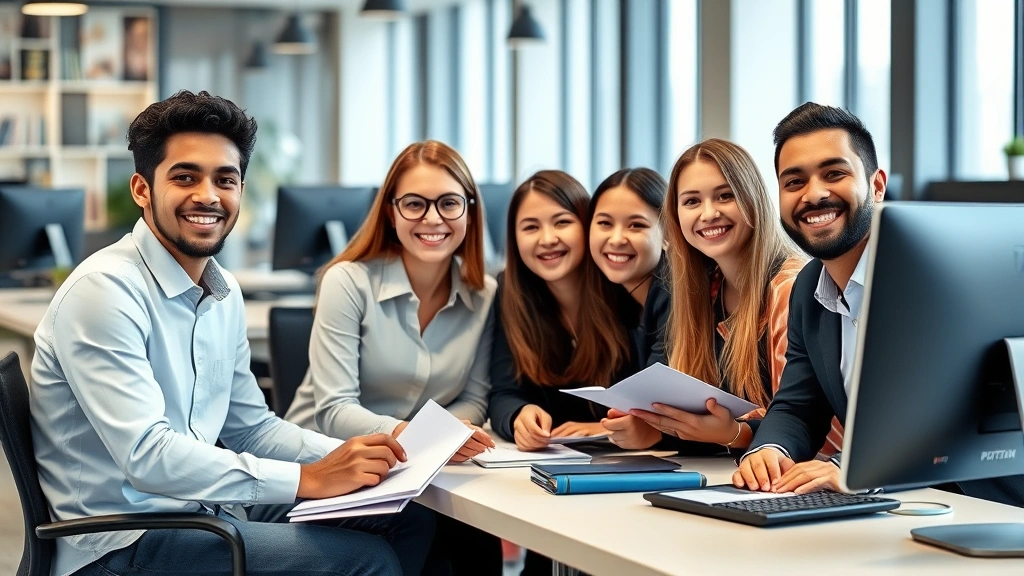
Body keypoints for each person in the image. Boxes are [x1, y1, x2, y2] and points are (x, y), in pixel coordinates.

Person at [29, 90, 434, 576]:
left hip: (202, 512)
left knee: (408, 518)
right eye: (185, 177)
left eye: (226, 179)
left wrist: (363, 460)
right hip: (125, 542)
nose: (208, 195)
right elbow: (148, 457)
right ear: (142, 189)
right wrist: (309, 478)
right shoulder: (104, 291)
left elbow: (250, 428)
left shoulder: (223, 292)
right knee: (366, 561)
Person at [283, 140, 502, 575]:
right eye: (415, 204)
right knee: (420, 526)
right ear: (391, 212)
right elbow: (333, 410)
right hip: (323, 469)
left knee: (476, 538)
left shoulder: (484, 293)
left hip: (413, 474)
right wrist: (420, 435)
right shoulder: (347, 282)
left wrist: (444, 437)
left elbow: (475, 398)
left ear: (470, 211)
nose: (433, 218)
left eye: (449, 203)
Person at [627, 138, 807, 452]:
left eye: (725, 196)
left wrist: (735, 433)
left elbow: (802, 420)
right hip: (731, 474)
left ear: (752, 198)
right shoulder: (704, 288)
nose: (708, 214)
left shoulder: (791, 288)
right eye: (692, 201)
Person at [488, 170, 631, 451]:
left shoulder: (622, 286)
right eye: (530, 227)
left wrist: (605, 426)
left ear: (588, 225)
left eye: (562, 222)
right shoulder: (511, 291)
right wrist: (520, 414)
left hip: (641, 456)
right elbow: (503, 392)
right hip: (551, 460)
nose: (548, 239)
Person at [587, 168, 673, 450]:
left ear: (667, 234)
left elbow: (648, 399)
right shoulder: (612, 298)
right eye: (604, 223)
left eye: (636, 225)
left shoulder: (676, 291)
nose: (616, 239)